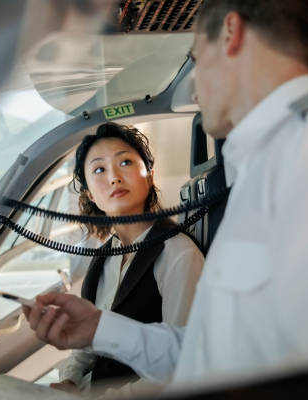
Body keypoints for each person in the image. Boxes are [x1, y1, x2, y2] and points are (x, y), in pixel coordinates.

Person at [24, 0, 308, 390]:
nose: (197, 84)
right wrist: (99, 327)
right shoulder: (270, 163)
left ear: (231, 33)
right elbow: (215, 357)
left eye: (198, 58)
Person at [50, 122, 204, 393]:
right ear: (89, 195)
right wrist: (69, 379)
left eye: (125, 163)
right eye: (99, 169)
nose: (114, 178)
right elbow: (89, 342)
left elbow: (182, 365)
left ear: (149, 176)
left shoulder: (177, 252)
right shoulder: (104, 257)